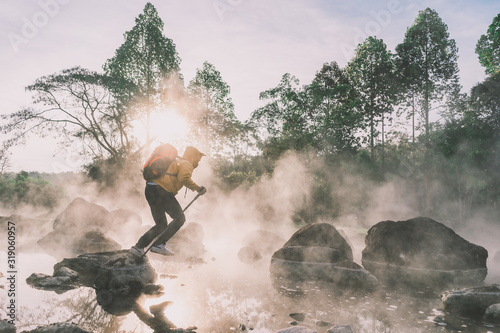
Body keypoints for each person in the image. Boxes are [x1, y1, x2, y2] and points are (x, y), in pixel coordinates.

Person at [130, 146, 207, 257]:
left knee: (161, 225)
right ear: (193, 157)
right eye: (198, 159)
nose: (198, 162)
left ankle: (138, 247)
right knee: (180, 218)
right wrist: (198, 188)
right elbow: (184, 178)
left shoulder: (176, 162)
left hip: (150, 189)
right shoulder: (187, 164)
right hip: (161, 191)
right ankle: (158, 244)